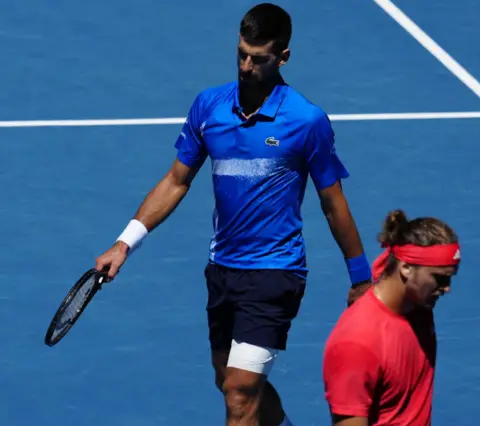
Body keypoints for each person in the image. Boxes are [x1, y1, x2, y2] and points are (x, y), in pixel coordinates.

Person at [94, 3, 372, 426]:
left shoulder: (306, 121)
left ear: (283, 57)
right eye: (241, 53)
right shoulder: (209, 107)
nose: (246, 65)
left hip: (276, 272)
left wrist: (360, 277)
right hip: (222, 268)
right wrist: (125, 242)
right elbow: (175, 181)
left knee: (240, 395)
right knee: (231, 382)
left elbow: (333, 204)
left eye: (258, 59)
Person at [322, 209, 462, 426]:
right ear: (406, 267)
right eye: (439, 279)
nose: (446, 289)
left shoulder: (418, 306)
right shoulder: (357, 343)